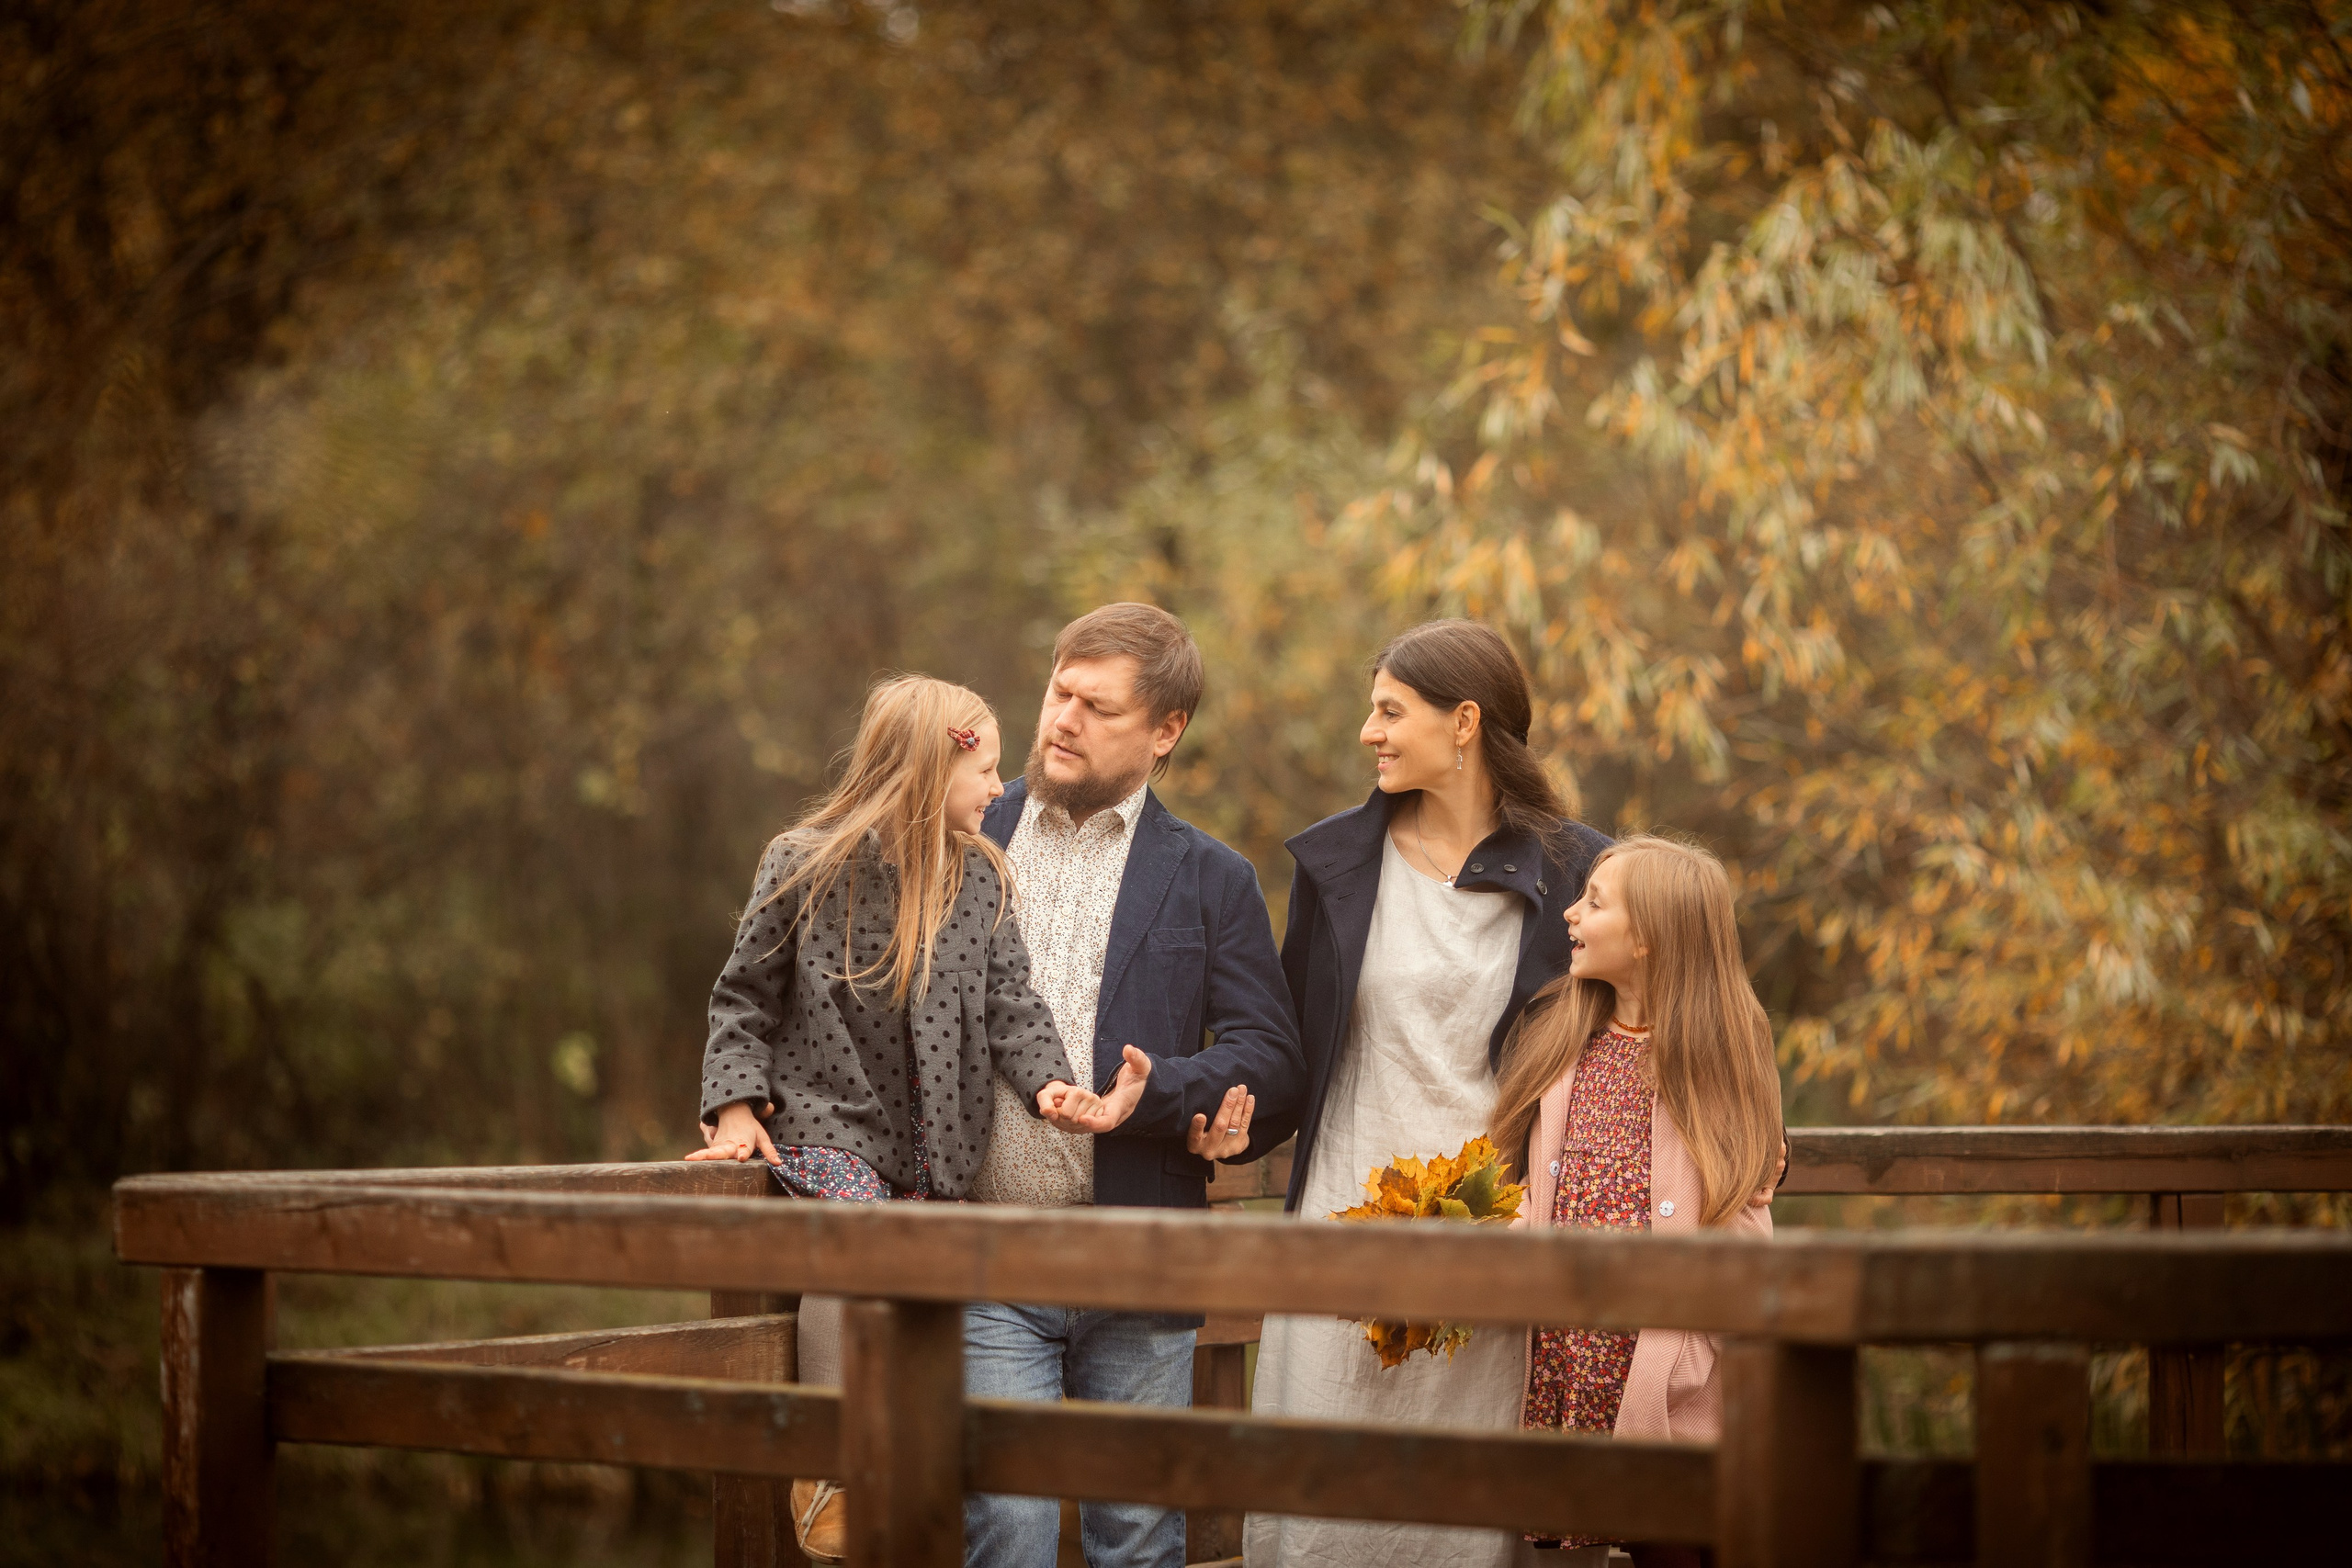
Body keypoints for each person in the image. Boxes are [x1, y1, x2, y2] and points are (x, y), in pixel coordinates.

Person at [686, 674, 1144, 1564]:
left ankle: (908, 1471)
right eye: (986, 770)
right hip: (829, 1123)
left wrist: (1052, 1087)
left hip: (937, 1148)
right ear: (937, 765)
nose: (1000, 790)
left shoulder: (981, 879)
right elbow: (742, 995)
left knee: (929, 1296)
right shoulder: (804, 861)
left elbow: (1015, 1005)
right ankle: (834, 1469)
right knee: (855, 1250)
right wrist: (735, 1105)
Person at [1241, 619, 1611, 1568]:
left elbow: (1646, 1033)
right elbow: (1285, 1049)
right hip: (1339, 1212)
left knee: (1458, 1510)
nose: (1368, 730)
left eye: (1390, 710)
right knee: (1326, 1490)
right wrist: (1209, 1110)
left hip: (1493, 1225)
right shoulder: (1333, 867)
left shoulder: (1581, 871)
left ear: (1465, 724)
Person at [966, 602, 1304, 1568]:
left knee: (1139, 1536)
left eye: (1097, 708)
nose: (1063, 720)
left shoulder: (1210, 877)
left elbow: (1272, 1056)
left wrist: (1159, 1096)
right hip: (986, 1251)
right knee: (1005, 1530)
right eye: (1059, 693)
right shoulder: (965, 832)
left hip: (1141, 1253)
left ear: (1166, 730)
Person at [1490, 836, 1783, 1568]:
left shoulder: (1723, 1053)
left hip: (1670, 1372)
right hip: (1564, 1363)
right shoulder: (1564, 1033)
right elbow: (1531, 1190)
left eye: (1594, 901)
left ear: (1649, 935)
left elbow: (1746, 1223)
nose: (1568, 912)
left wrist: (1703, 1349)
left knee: (1680, 1539)